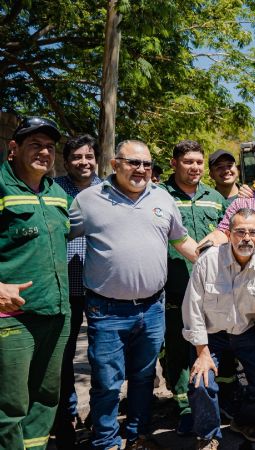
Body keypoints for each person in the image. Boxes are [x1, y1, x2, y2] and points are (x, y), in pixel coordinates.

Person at [69, 139, 199, 449]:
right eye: (133, 163)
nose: (141, 169)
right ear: (115, 164)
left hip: (152, 309)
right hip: (106, 310)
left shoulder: (163, 198)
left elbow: (182, 241)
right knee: (107, 383)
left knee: (143, 379)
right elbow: (56, 235)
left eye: (147, 164)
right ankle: (105, 440)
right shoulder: (88, 200)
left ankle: (138, 435)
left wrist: (224, 262)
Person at [0, 117, 70, 450]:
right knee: (10, 405)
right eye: (34, 144)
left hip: (56, 313)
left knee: (45, 398)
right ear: (13, 149)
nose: (44, 152)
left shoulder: (57, 193)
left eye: (49, 147)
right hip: (11, 317)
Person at [183, 208, 255, 448]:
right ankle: (208, 436)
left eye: (252, 232)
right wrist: (202, 352)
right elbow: (192, 308)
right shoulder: (208, 260)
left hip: (246, 333)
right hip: (211, 334)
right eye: (240, 232)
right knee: (201, 382)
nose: (246, 237)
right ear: (228, 234)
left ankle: (243, 421)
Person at [161, 140, 227, 436]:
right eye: (188, 161)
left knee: (205, 348)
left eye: (199, 162)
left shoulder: (214, 197)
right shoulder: (159, 196)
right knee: (176, 349)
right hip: (175, 286)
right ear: (174, 163)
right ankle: (184, 408)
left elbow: (227, 231)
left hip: (211, 290)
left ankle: (205, 400)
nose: (195, 167)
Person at [53, 134, 102, 447]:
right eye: (76, 157)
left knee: (103, 357)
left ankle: (99, 415)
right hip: (65, 286)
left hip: (101, 288)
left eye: (88, 156)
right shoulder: (54, 190)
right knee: (64, 357)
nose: (83, 162)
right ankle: (67, 417)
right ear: (66, 160)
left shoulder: (110, 190)